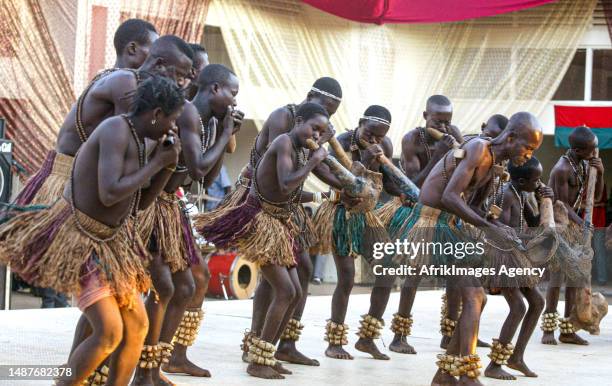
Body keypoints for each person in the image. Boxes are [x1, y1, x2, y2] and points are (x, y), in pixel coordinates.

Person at [0, 75, 184, 385]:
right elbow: (109, 192)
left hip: (111, 245)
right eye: (172, 119)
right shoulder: (115, 130)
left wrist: (166, 166)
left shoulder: (142, 140)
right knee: (109, 332)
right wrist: (155, 165)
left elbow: (139, 203)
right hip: (82, 240)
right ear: (155, 114)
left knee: (137, 325)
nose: (173, 127)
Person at [395, 112, 543, 386]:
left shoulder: (496, 164)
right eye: (528, 148)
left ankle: (445, 375)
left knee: (478, 298)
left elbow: (472, 207)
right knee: (475, 296)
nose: (528, 156)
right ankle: (465, 374)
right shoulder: (478, 148)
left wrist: (496, 224)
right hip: (431, 223)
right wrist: (489, 228)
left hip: (449, 224)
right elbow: (449, 196)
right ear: (510, 138)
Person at [197, 103, 330, 379]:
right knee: (285, 291)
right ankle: (258, 360)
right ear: (299, 121)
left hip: (278, 223)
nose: (316, 136)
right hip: (259, 220)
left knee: (293, 291)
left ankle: (267, 355)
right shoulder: (283, 142)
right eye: (313, 128)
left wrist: (324, 196)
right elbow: (284, 185)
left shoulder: (300, 150)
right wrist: (316, 161)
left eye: (321, 132)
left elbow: (290, 194)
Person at [131, 63, 243, 384]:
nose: (235, 101)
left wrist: (226, 133)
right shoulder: (190, 113)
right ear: (215, 90)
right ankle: (144, 369)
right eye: (232, 93)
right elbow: (196, 170)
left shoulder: (206, 121)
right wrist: (224, 134)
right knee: (167, 286)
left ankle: (156, 366)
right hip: (152, 206)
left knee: (186, 286)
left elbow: (206, 179)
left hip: (171, 207)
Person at [227, 77, 342, 368]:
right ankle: (257, 346)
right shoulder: (283, 121)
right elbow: (282, 179)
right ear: (309, 99)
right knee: (279, 282)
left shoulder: (307, 132)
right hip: (265, 203)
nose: (325, 123)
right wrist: (317, 165)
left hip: (283, 205)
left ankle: (282, 345)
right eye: (322, 112)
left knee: (300, 272)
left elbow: (310, 168)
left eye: (330, 116)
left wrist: (346, 185)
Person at [313, 105, 404, 361]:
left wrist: (403, 192)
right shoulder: (340, 141)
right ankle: (335, 342)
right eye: (371, 134)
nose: (375, 140)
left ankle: (367, 339)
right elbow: (342, 180)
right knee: (347, 277)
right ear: (360, 121)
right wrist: (365, 160)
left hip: (367, 214)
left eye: (380, 136)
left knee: (388, 269)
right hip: (341, 212)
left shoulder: (383, 145)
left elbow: (385, 181)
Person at [483, 157, 552, 380]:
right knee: (518, 307)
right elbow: (494, 226)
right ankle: (494, 364)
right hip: (501, 255)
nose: (538, 183)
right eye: (536, 180)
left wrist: (544, 202)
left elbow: (532, 223)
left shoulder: (521, 193)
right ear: (522, 180)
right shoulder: (505, 194)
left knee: (538, 302)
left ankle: (517, 357)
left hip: (514, 254)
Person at [541, 126, 604, 346]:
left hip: (575, 227)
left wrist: (601, 171)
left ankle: (567, 329)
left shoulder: (585, 164)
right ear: (577, 150)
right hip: (559, 227)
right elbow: (561, 204)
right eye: (591, 149)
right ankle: (548, 329)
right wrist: (582, 223)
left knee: (574, 279)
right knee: (556, 280)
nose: (595, 151)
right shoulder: (562, 169)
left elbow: (595, 197)